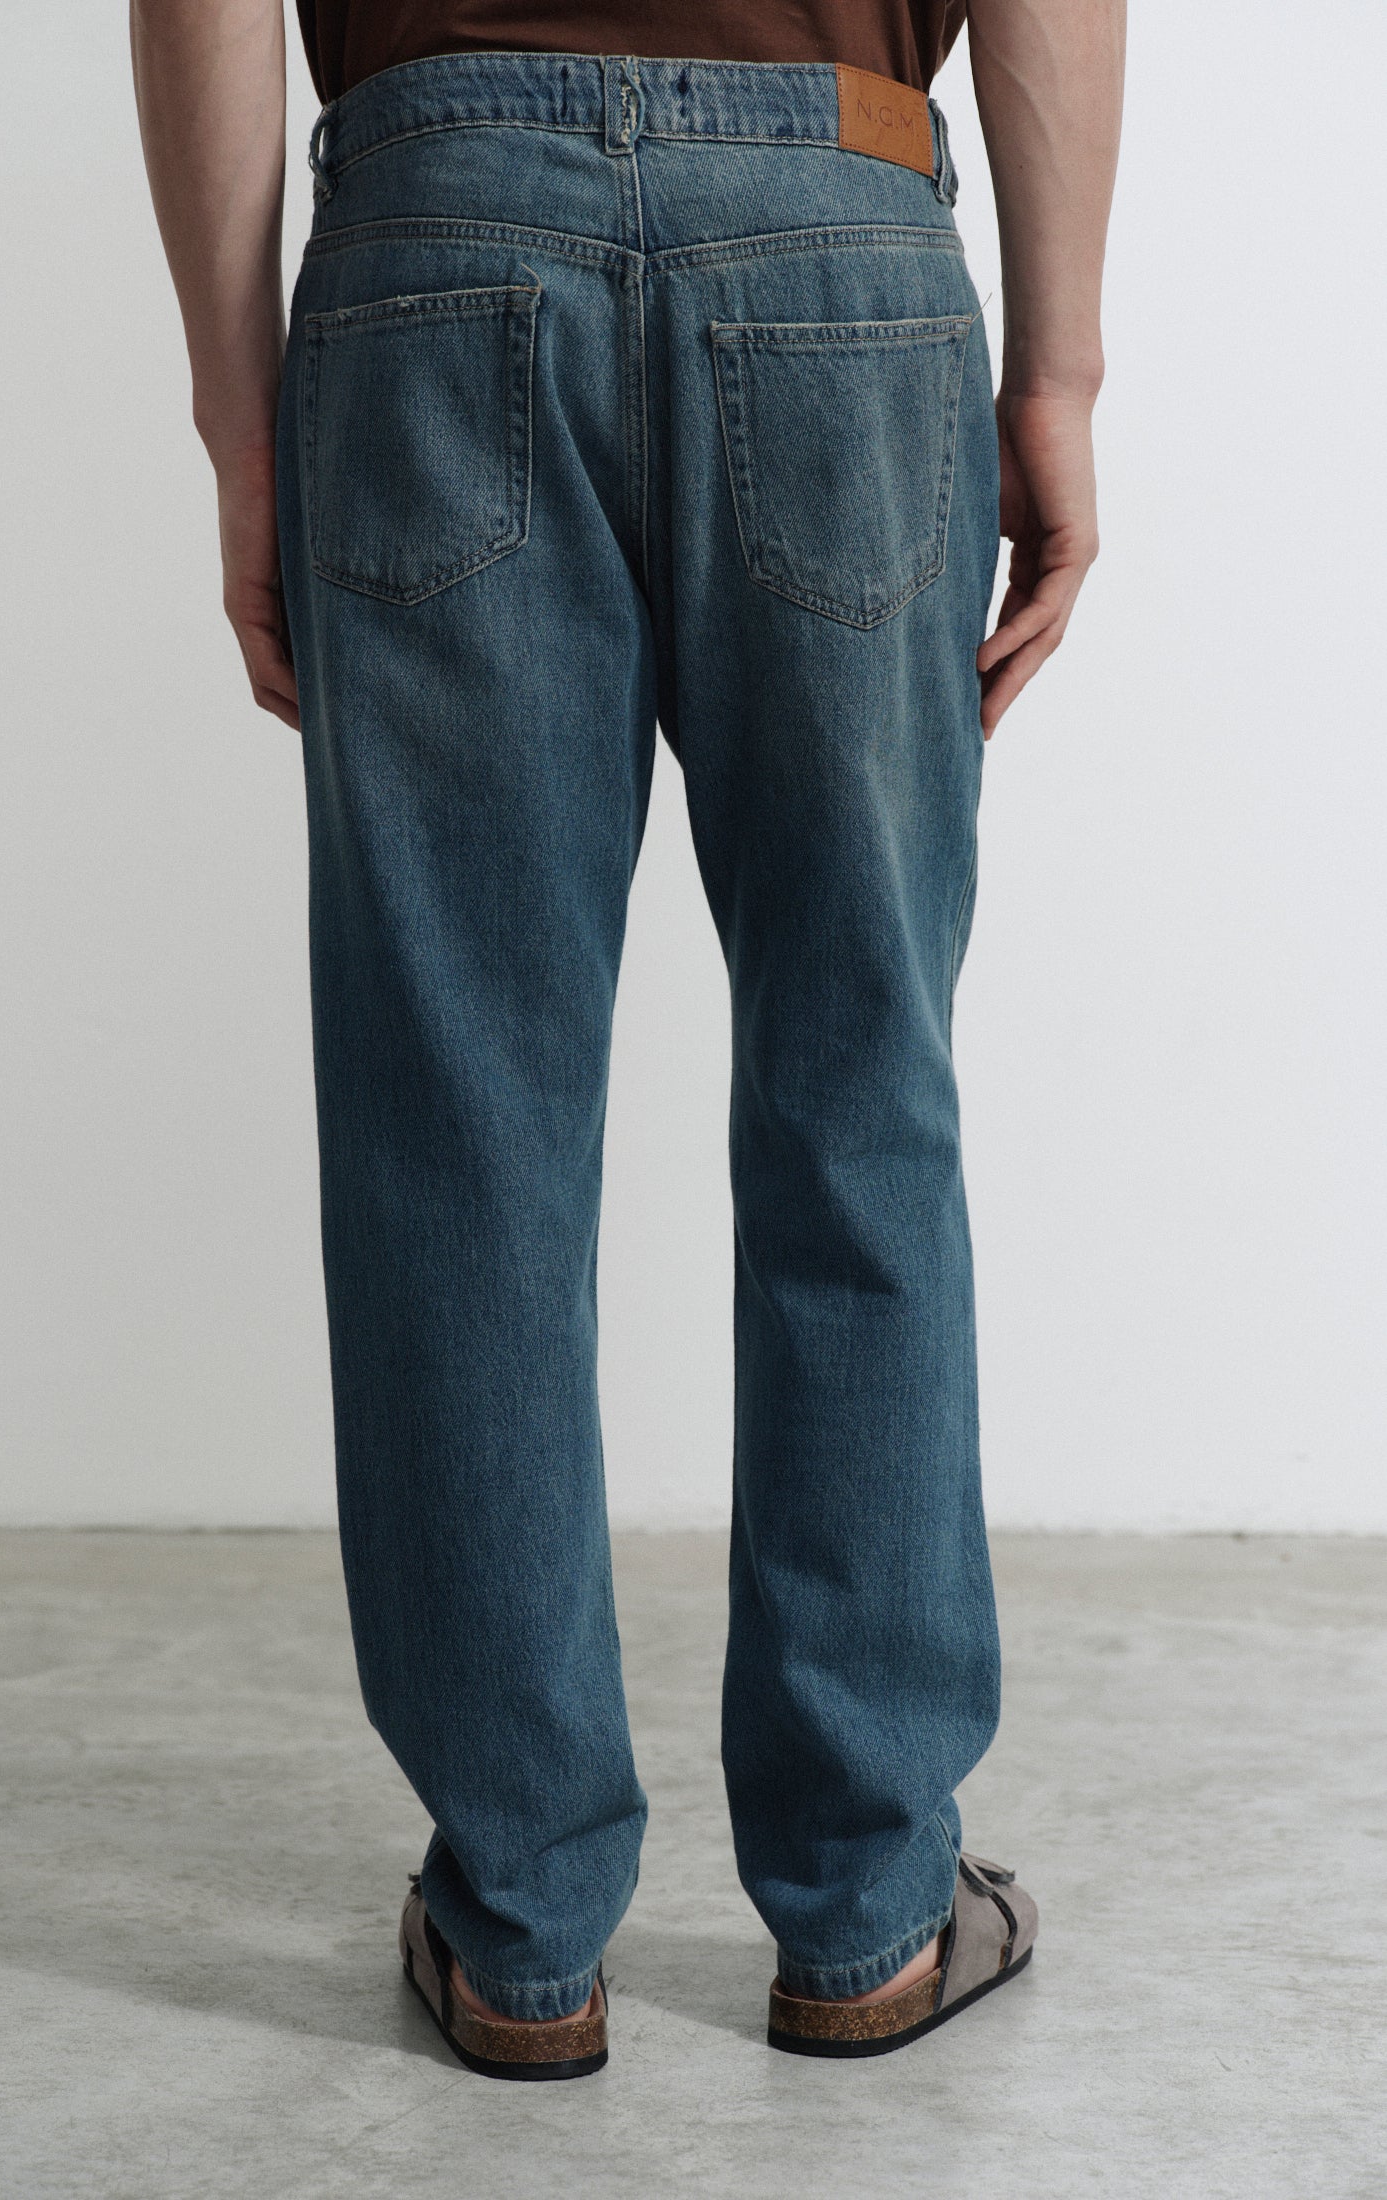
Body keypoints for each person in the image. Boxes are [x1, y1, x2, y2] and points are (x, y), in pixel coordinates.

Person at [132, 0, 1123, 2080]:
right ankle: (869, 1908)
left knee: (458, 1125)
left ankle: (516, 1927)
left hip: (433, 245)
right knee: (860, 1093)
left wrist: (241, 414)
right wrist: (1058, 368)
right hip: (839, 241)